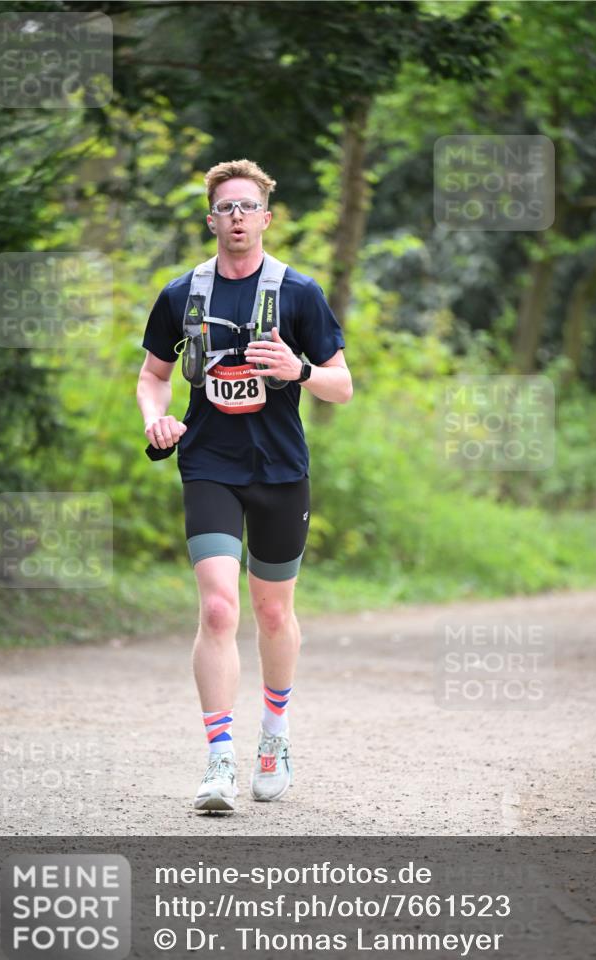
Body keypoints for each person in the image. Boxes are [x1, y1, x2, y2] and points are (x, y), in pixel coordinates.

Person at [136, 159, 352, 812]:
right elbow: (151, 376)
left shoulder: (298, 292)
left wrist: (300, 366)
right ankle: (219, 759)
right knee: (219, 608)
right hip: (208, 465)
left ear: (265, 217)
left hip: (281, 471)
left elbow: (341, 386)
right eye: (224, 208)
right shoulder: (181, 294)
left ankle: (274, 737)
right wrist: (157, 420)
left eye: (246, 207)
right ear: (211, 220)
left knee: (272, 611)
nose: (235, 217)